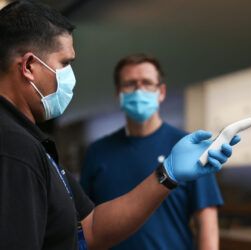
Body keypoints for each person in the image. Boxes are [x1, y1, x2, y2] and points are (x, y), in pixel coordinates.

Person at [0, 1, 240, 249]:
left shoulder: (32, 143)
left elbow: (90, 226)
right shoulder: (12, 148)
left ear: (161, 91)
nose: (70, 76)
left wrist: (168, 173)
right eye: (65, 63)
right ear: (29, 66)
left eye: (147, 83)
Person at [80, 54, 223, 250]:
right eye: (130, 84)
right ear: (118, 93)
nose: (139, 90)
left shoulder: (187, 149)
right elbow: (84, 223)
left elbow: (207, 224)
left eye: (147, 83)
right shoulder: (97, 152)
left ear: (161, 91)